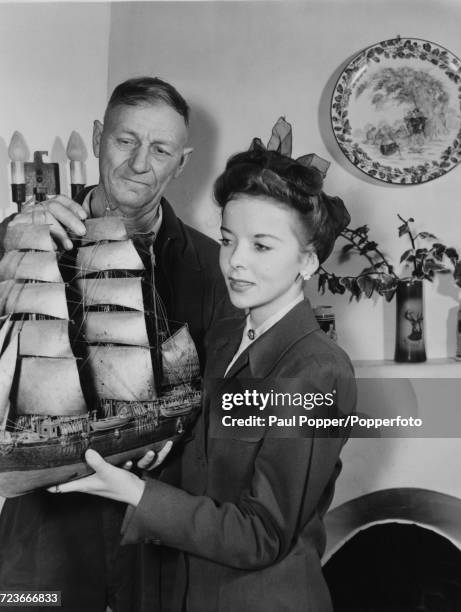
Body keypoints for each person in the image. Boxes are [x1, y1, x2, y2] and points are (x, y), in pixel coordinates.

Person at [49, 146, 357, 611]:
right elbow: (205, 461)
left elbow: (263, 534)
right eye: (228, 239)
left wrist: (135, 492)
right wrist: (140, 457)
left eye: (262, 245)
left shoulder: (317, 371)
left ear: (309, 261)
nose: (234, 261)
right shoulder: (227, 337)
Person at [0, 77, 234, 611]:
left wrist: (183, 441)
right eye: (126, 140)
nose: (139, 163)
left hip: (159, 523)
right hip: (43, 527)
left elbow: (225, 398)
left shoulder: (212, 268)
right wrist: (9, 251)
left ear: (182, 161)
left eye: (161, 149)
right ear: (100, 135)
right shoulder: (19, 237)